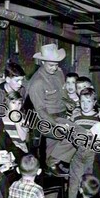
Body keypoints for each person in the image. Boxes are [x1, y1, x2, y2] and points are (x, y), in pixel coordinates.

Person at [27, 43, 70, 173]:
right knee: (71, 136)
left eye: (57, 64)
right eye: (51, 65)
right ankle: (52, 162)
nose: (54, 68)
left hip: (62, 114)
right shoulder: (36, 83)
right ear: (42, 62)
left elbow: (62, 93)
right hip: (46, 119)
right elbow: (40, 111)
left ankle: (52, 165)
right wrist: (56, 124)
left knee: (54, 145)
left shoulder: (59, 73)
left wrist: (68, 102)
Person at [68, 87, 100, 198]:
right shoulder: (76, 118)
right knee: (74, 184)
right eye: (82, 102)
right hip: (77, 153)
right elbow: (70, 136)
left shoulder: (98, 119)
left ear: (94, 102)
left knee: (90, 183)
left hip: (92, 154)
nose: (85, 105)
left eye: (88, 101)